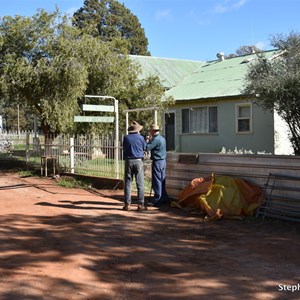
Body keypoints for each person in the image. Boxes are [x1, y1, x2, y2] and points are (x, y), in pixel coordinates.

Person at [123, 121, 146, 211]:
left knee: (128, 183)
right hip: (138, 161)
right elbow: (144, 147)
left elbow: (124, 147)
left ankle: (127, 204)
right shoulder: (141, 138)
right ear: (138, 130)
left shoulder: (126, 138)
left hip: (128, 161)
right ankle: (140, 204)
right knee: (140, 183)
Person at [146, 124, 169, 207]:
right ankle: (164, 197)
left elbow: (147, 148)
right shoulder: (162, 138)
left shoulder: (155, 139)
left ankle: (157, 199)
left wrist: (147, 140)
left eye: (150, 131)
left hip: (157, 161)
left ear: (153, 131)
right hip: (163, 161)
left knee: (157, 181)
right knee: (162, 180)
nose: (150, 132)